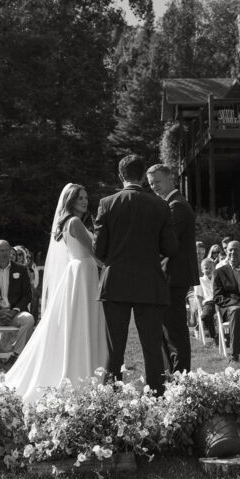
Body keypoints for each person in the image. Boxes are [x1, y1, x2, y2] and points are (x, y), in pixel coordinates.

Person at [6, 183, 108, 403]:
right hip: (82, 274)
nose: (84, 200)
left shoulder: (71, 222)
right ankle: (81, 367)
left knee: (79, 321)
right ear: (70, 201)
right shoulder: (75, 222)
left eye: (86, 197)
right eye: (80, 197)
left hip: (81, 272)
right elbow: (96, 253)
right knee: (81, 321)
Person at [95, 155, 178, 395]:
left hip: (116, 282)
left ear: (121, 176)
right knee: (152, 347)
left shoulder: (107, 203)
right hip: (149, 282)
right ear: (143, 177)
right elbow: (170, 247)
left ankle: (111, 397)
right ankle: (157, 396)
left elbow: (98, 249)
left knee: (115, 347)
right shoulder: (160, 205)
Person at [147, 163, 197, 373]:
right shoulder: (170, 204)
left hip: (174, 276)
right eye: (150, 183)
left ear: (171, 179)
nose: (154, 187)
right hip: (169, 276)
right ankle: (173, 375)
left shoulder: (176, 206)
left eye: (157, 181)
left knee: (174, 330)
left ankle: (181, 377)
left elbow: (167, 244)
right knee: (167, 329)